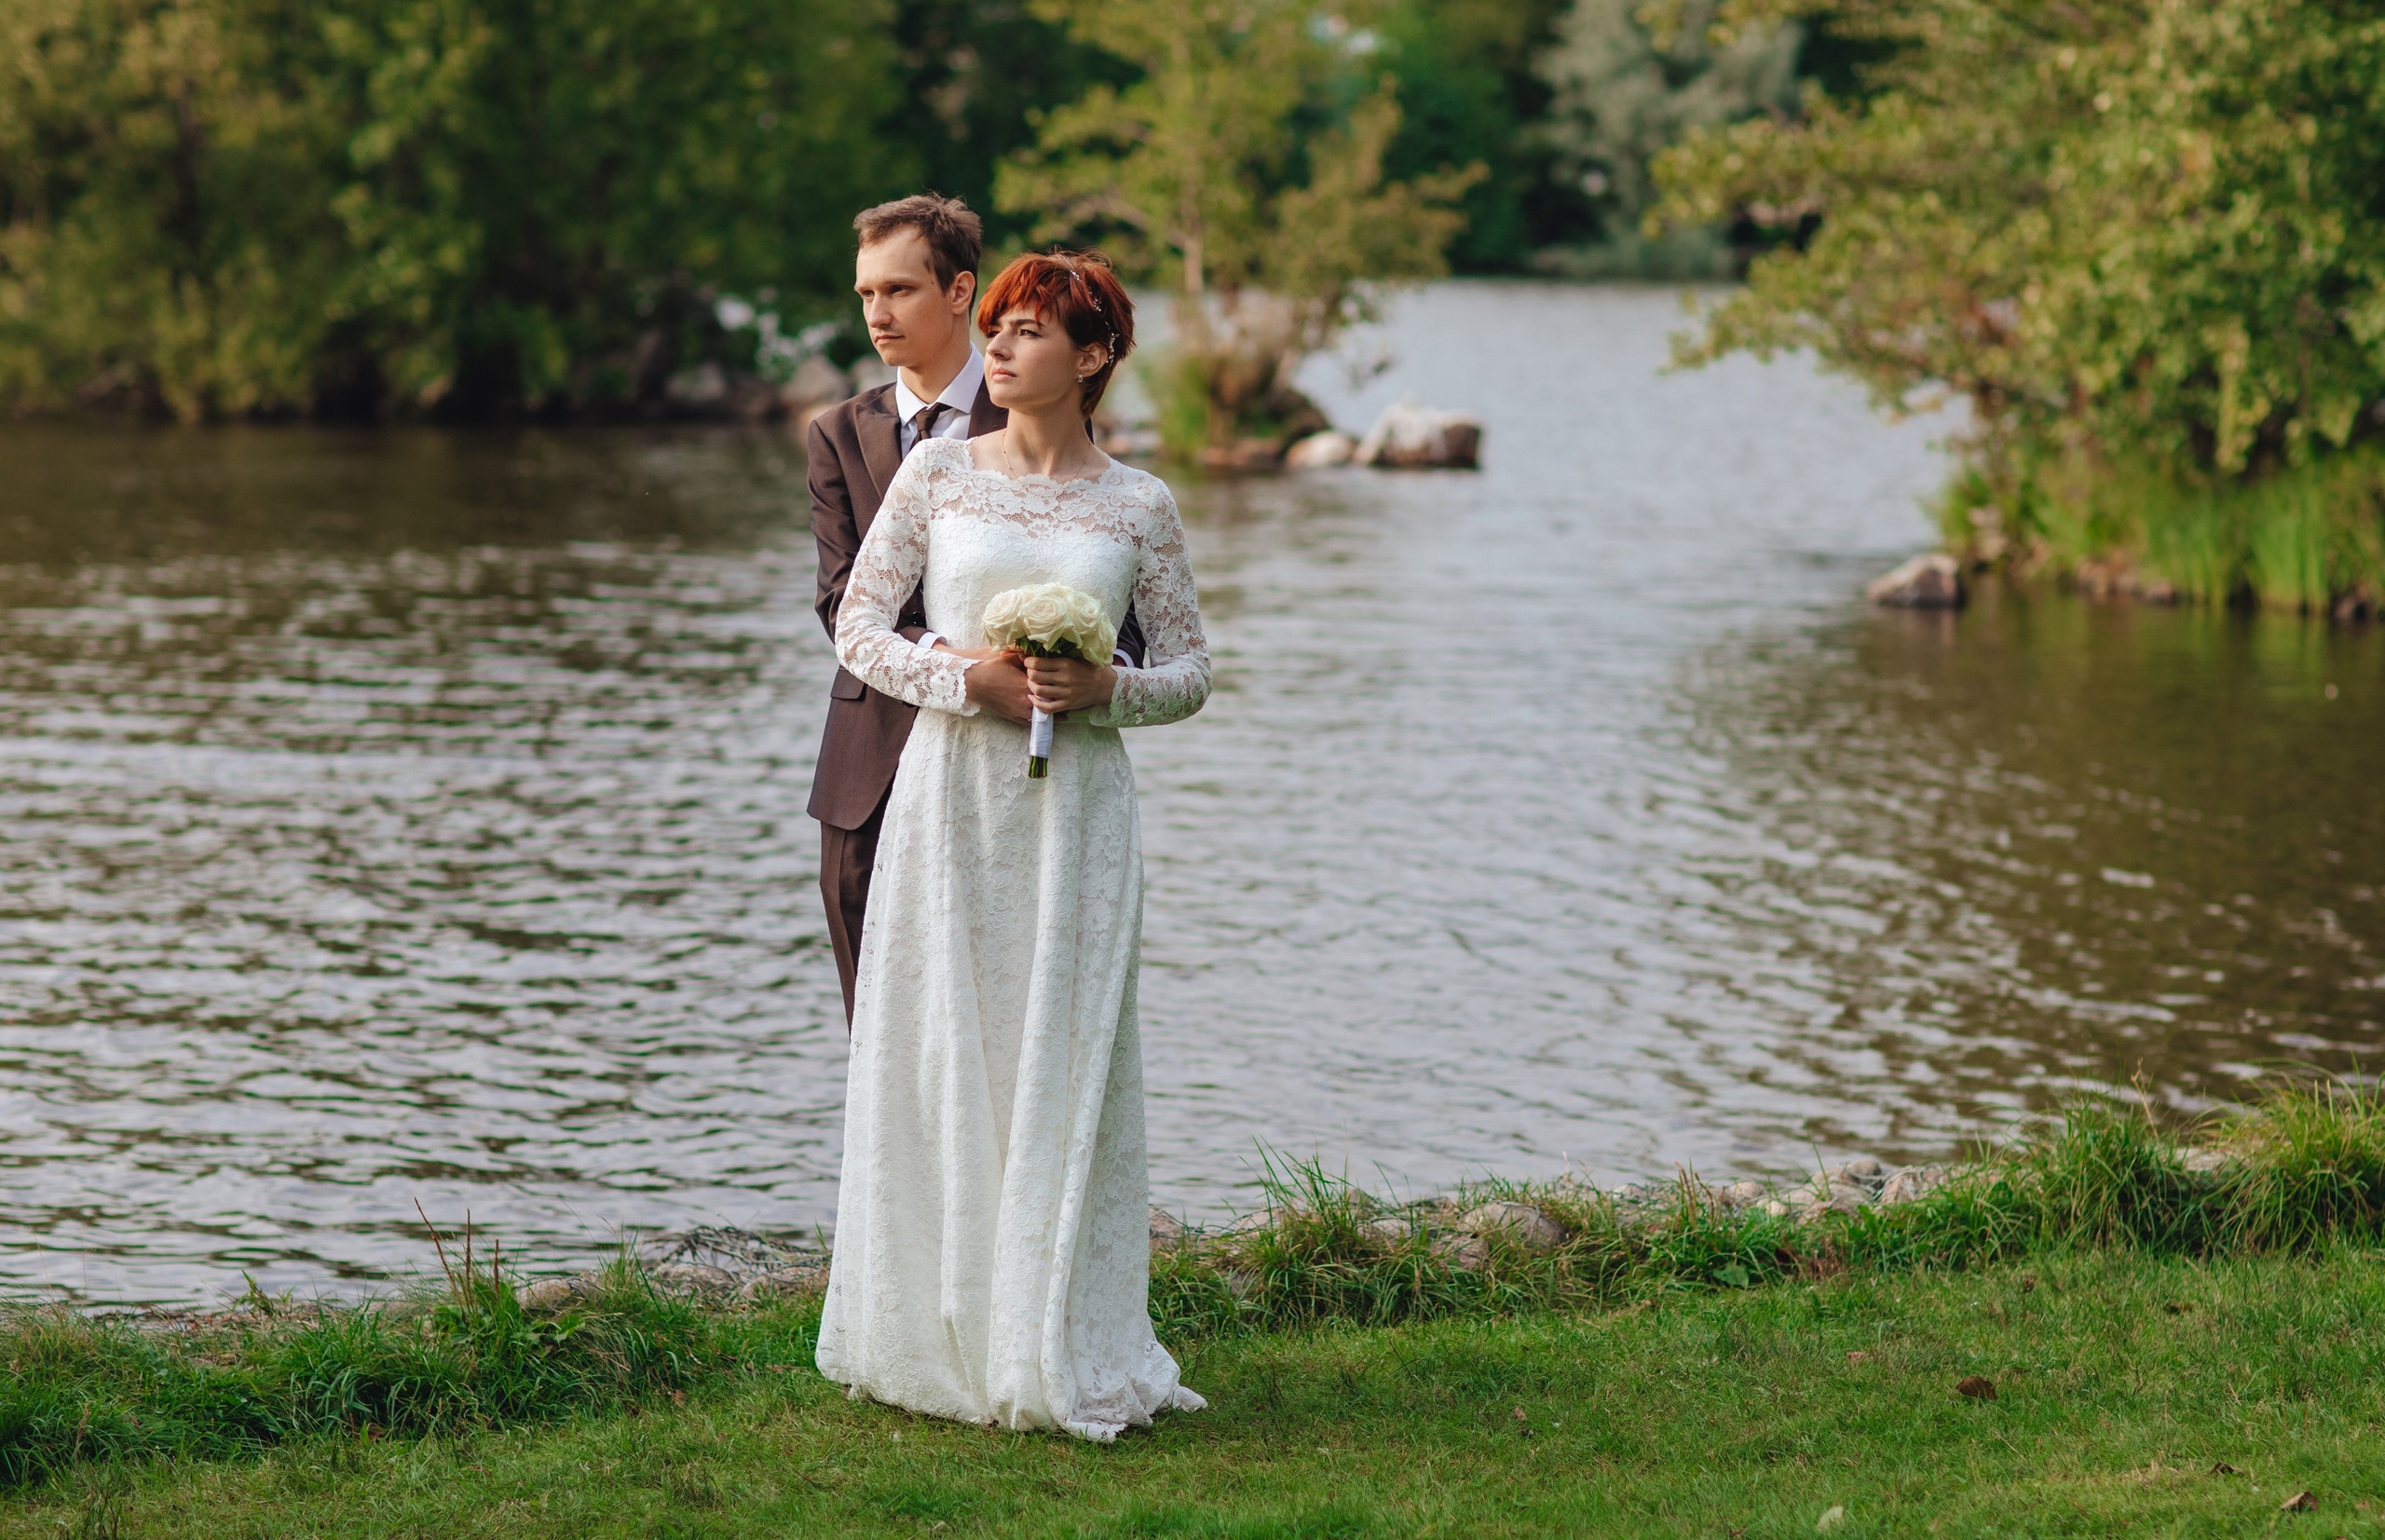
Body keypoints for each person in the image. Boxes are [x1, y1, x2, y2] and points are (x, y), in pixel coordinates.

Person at [812, 250, 1210, 1440]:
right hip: (950, 800)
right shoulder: (936, 474)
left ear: (1091, 357)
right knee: (948, 1042)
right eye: (994, 326)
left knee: (1063, 1046)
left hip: (1079, 809)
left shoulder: (1139, 504)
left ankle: (1059, 1329)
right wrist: (962, 680)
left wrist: (1104, 689)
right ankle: (935, 1327)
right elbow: (857, 627)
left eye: (1029, 331)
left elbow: (1192, 672)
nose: (998, 347)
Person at [807, 196, 1144, 1024]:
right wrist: (969, 671)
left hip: (1015, 769)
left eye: (898, 290)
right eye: (865, 295)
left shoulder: (1039, 408)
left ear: (960, 292)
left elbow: (1124, 621)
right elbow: (839, 600)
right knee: (880, 1032)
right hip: (869, 761)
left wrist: (1075, 676)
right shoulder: (838, 433)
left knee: (1010, 1012)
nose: (876, 314)